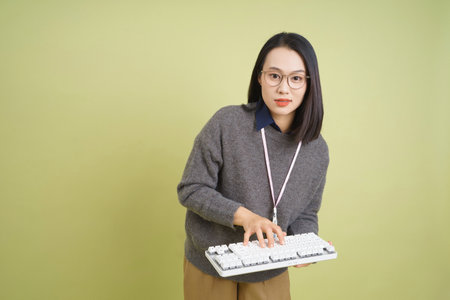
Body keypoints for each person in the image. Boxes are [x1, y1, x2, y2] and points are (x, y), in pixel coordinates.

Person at [177, 32, 329, 300]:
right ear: (260, 77)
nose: (284, 88)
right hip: (212, 265)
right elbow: (191, 188)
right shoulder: (227, 123)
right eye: (274, 76)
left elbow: (306, 213)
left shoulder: (317, 150)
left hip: (270, 270)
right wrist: (246, 217)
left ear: (309, 84)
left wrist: (307, 246)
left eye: (295, 78)